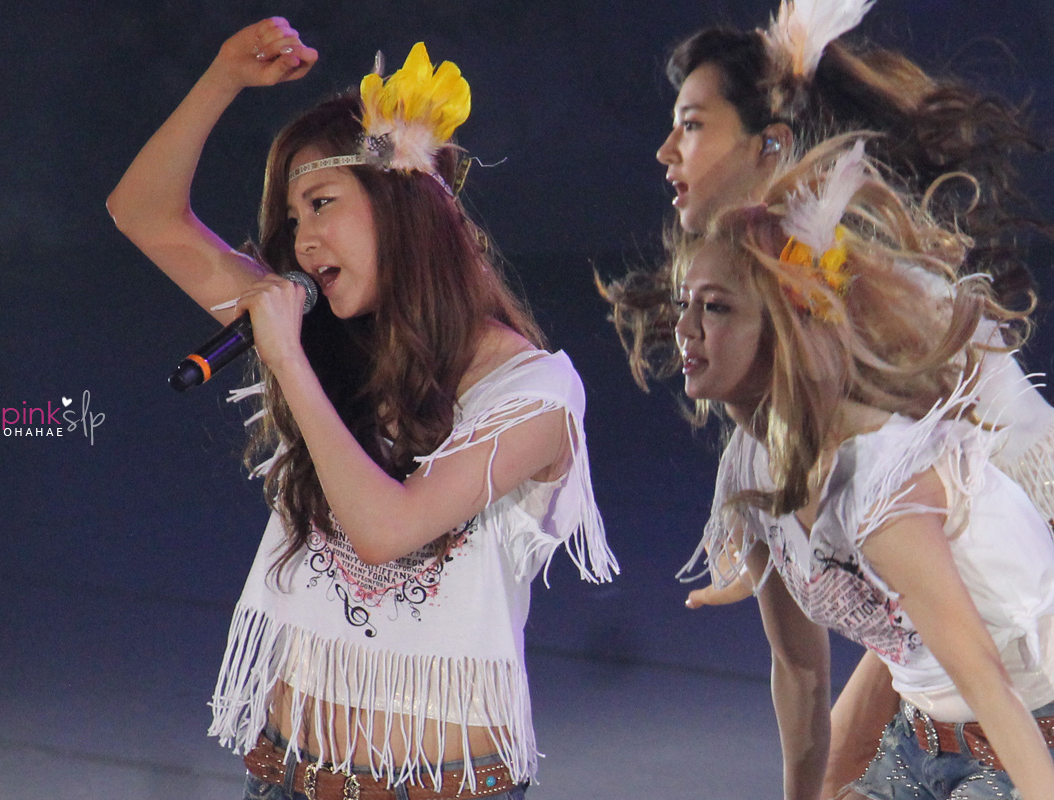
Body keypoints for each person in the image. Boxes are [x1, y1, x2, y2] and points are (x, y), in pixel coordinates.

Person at [106, 18, 616, 800]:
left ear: (400, 203)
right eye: (292, 220)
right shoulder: (323, 339)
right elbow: (143, 212)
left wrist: (287, 360)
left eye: (321, 204)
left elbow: (386, 531)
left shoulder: (535, 392)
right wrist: (222, 78)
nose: (303, 241)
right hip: (287, 774)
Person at [602, 1, 1054, 793]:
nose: (668, 149)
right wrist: (772, 534)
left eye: (693, 125)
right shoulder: (766, 270)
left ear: (770, 144)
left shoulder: (852, 287)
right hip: (932, 582)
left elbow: (929, 508)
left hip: (1010, 564)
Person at [673, 137, 1054, 799]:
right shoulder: (752, 469)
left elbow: (990, 686)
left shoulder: (879, 485)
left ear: (786, 326)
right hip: (921, 741)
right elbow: (800, 673)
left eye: (715, 306)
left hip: (1026, 734)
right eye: (685, 302)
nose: (684, 328)